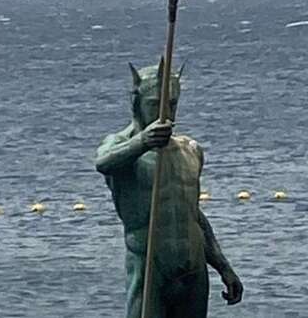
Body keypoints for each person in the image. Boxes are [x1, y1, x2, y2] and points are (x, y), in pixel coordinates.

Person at [95, 61, 243, 318]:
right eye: (155, 104)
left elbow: (192, 214)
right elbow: (103, 162)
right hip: (150, 264)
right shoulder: (123, 146)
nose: (165, 113)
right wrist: (142, 142)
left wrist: (223, 266)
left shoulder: (190, 150)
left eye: (172, 104)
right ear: (137, 103)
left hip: (192, 266)